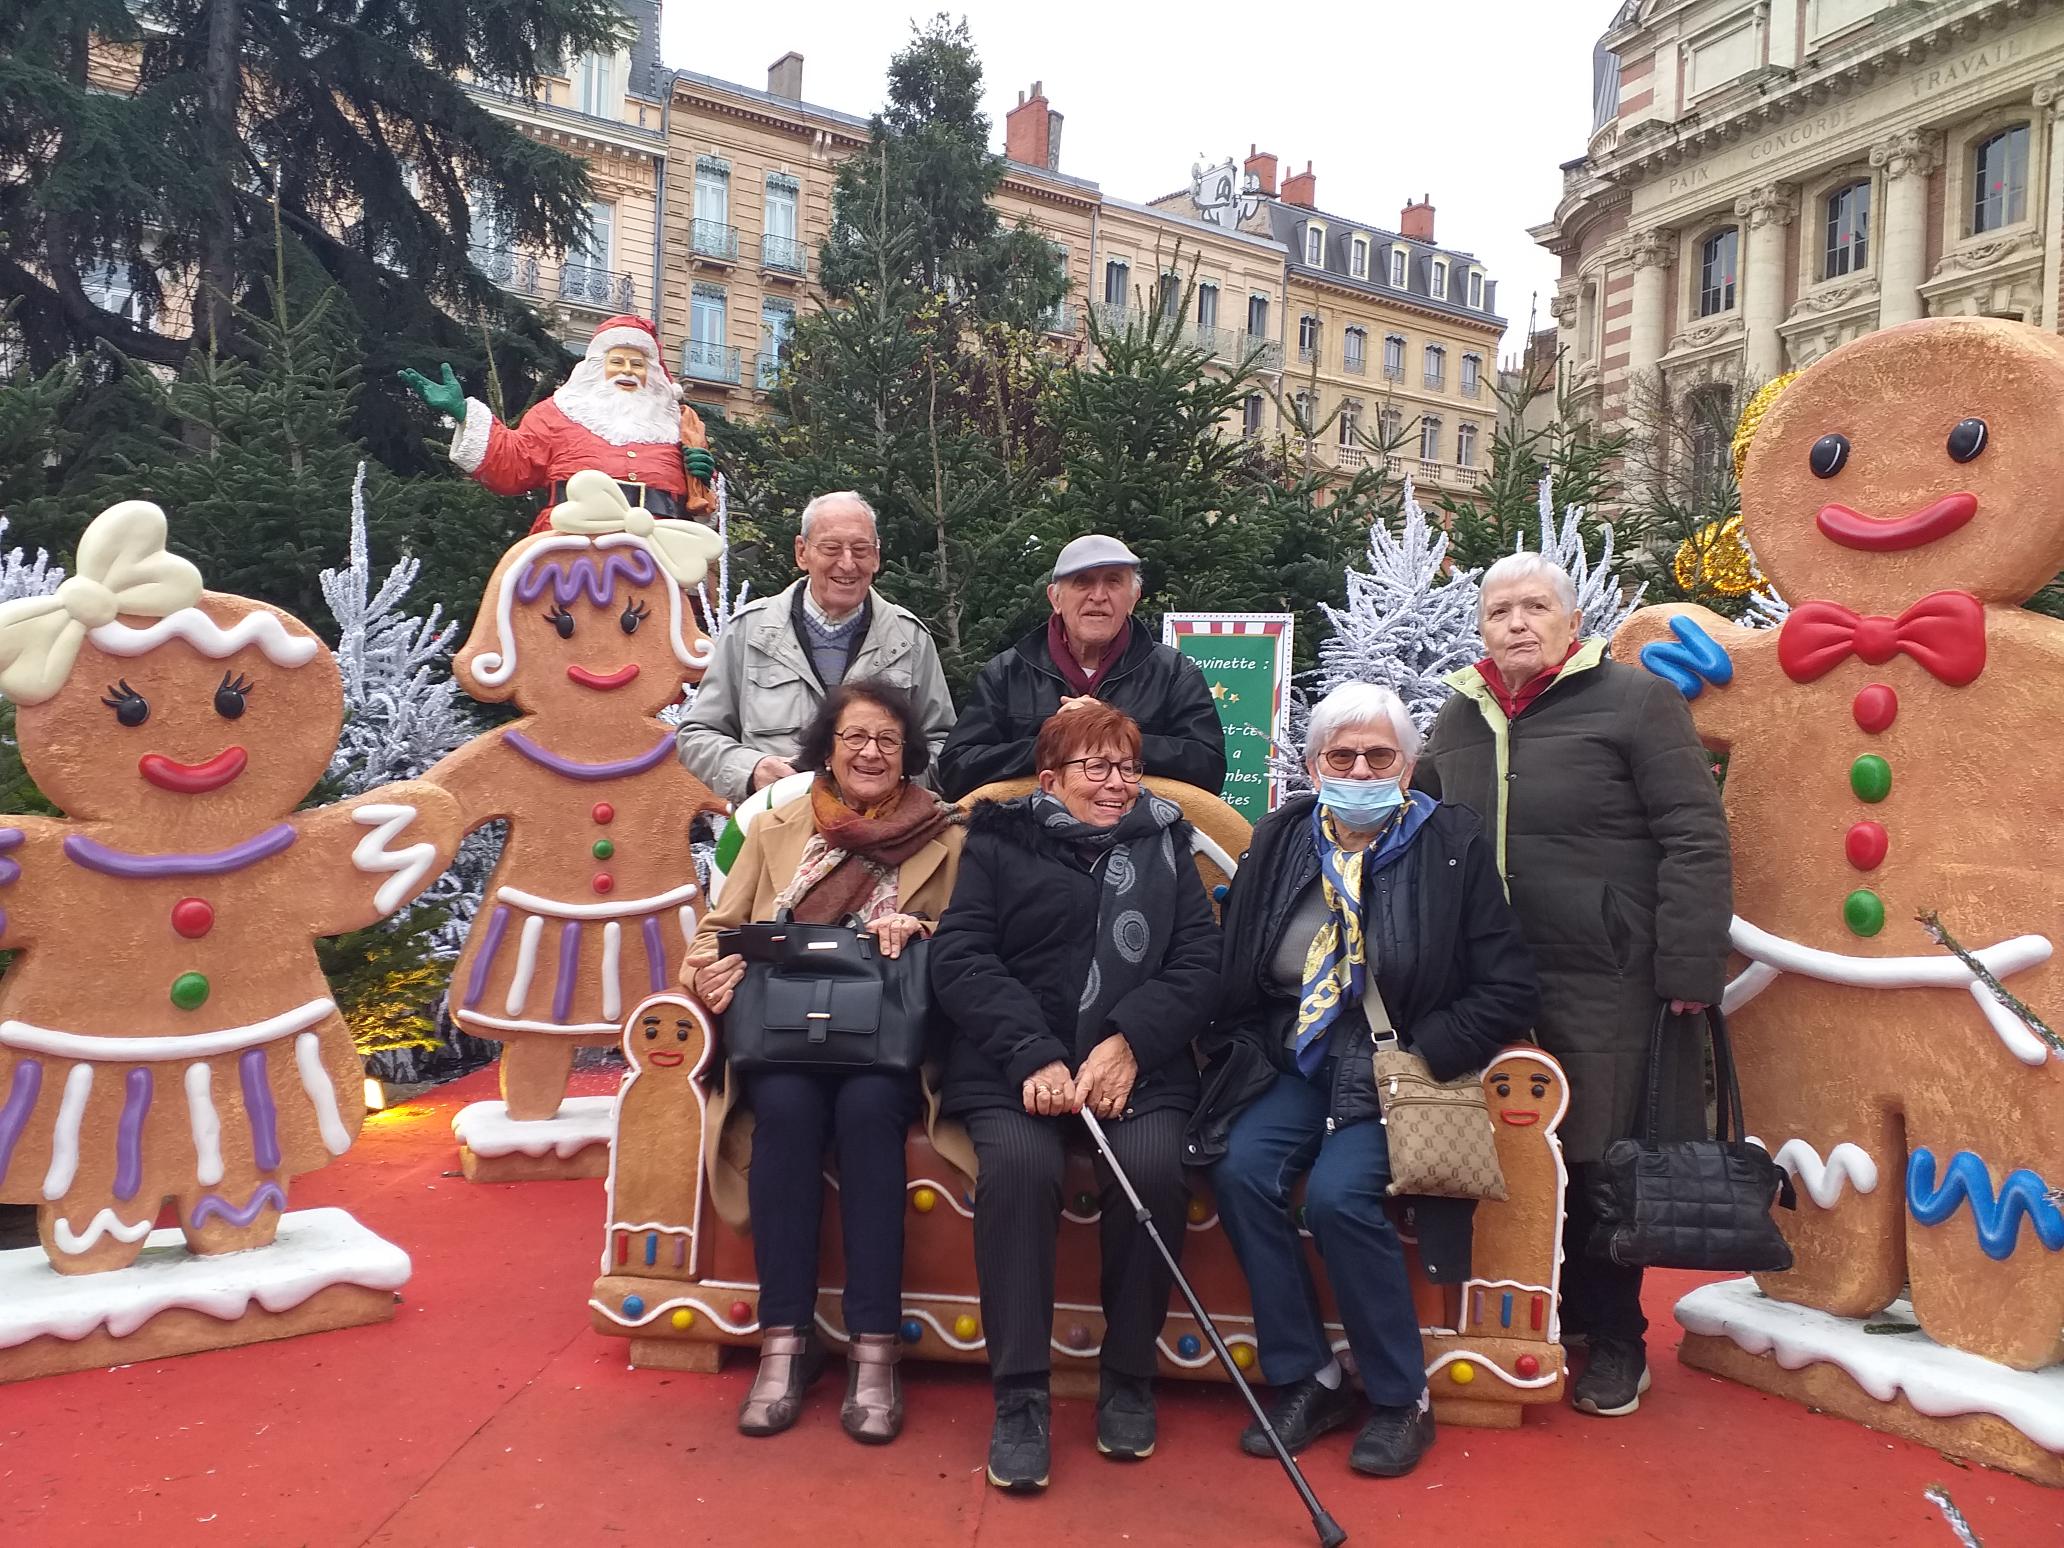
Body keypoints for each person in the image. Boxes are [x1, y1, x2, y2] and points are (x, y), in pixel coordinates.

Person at [1189, 682, 1538, 1479]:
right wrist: (1230, 1040)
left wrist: (1428, 1049)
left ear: (1408, 767)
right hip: (1293, 1054)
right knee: (1240, 1170)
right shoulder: (1280, 837)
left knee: (1343, 1197)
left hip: (1396, 1063)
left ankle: (1397, 1395)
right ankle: (1307, 1376)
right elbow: (1237, 960)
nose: (1359, 769)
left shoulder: (1451, 845)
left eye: (1379, 755)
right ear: (1313, 765)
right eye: (1341, 756)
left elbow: (1510, 986)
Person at [1419, 552, 1732, 1418]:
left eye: (1533, 607)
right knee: (1510, 1152)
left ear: (1570, 621)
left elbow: (1694, 835)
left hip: (1607, 972)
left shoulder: (1635, 701)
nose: (1516, 623)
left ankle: (1617, 1338)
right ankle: (1532, 1316)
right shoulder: (1459, 715)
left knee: (1600, 1155)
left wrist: (1690, 966)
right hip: (1487, 977)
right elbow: (1420, 828)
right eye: (1498, 611)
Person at [930, 703, 1220, 1492]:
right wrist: (1035, 1053)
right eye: (1097, 768)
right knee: (1022, 1170)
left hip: (1138, 1063)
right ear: (1050, 779)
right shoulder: (997, 840)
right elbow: (961, 957)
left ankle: (1129, 1377)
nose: (1117, 783)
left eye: (1128, 767)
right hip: (1014, 1060)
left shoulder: (1166, 840)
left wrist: (1129, 1042)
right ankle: (1020, 1396)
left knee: (1155, 1168)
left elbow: (1199, 962)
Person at [681, 678, 965, 1444]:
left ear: (909, 754)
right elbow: (716, 930)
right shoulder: (776, 826)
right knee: (784, 1110)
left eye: (887, 740)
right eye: (855, 738)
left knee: (872, 1115)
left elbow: (975, 945)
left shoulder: (945, 834)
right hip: (783, 1034)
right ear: (827, 750)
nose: (871, 752)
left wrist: (924, 931)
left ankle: (875, 1352)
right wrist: (708, 973)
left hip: (885, 1038)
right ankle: (785, 1342)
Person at [676, 491, 955, 804]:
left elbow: (945, 743)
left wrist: (890, 779)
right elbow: (696, 734)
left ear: (876, 557)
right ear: (802, 552)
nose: (848, 564)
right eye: (832, 548)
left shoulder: (909, 639)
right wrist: (750, 769)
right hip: (772, 832)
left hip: (880, 839)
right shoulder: (749, 632)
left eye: (861, 549)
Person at [938, 535, 1226, 799]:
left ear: (1133, 599)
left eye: (1113, 582)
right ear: (1055, 598)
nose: (1098, 595)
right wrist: (1054, 742)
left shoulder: (1174, 673)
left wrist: (1114, 739)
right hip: (1029, 843)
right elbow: (956, 769)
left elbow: (1208, 767)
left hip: (1140, 841)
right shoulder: (1007, 672)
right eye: (1082, 582)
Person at [400, 314, 717, 531]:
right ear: (596, 367)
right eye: (617, 362)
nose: (629, 371)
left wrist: (703, 479)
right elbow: (514, 462)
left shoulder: (680, 426)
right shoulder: (558, 412)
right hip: (571, 546)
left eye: (638, 364)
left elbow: (702, 505)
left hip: (662, 551)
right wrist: (463, 413)